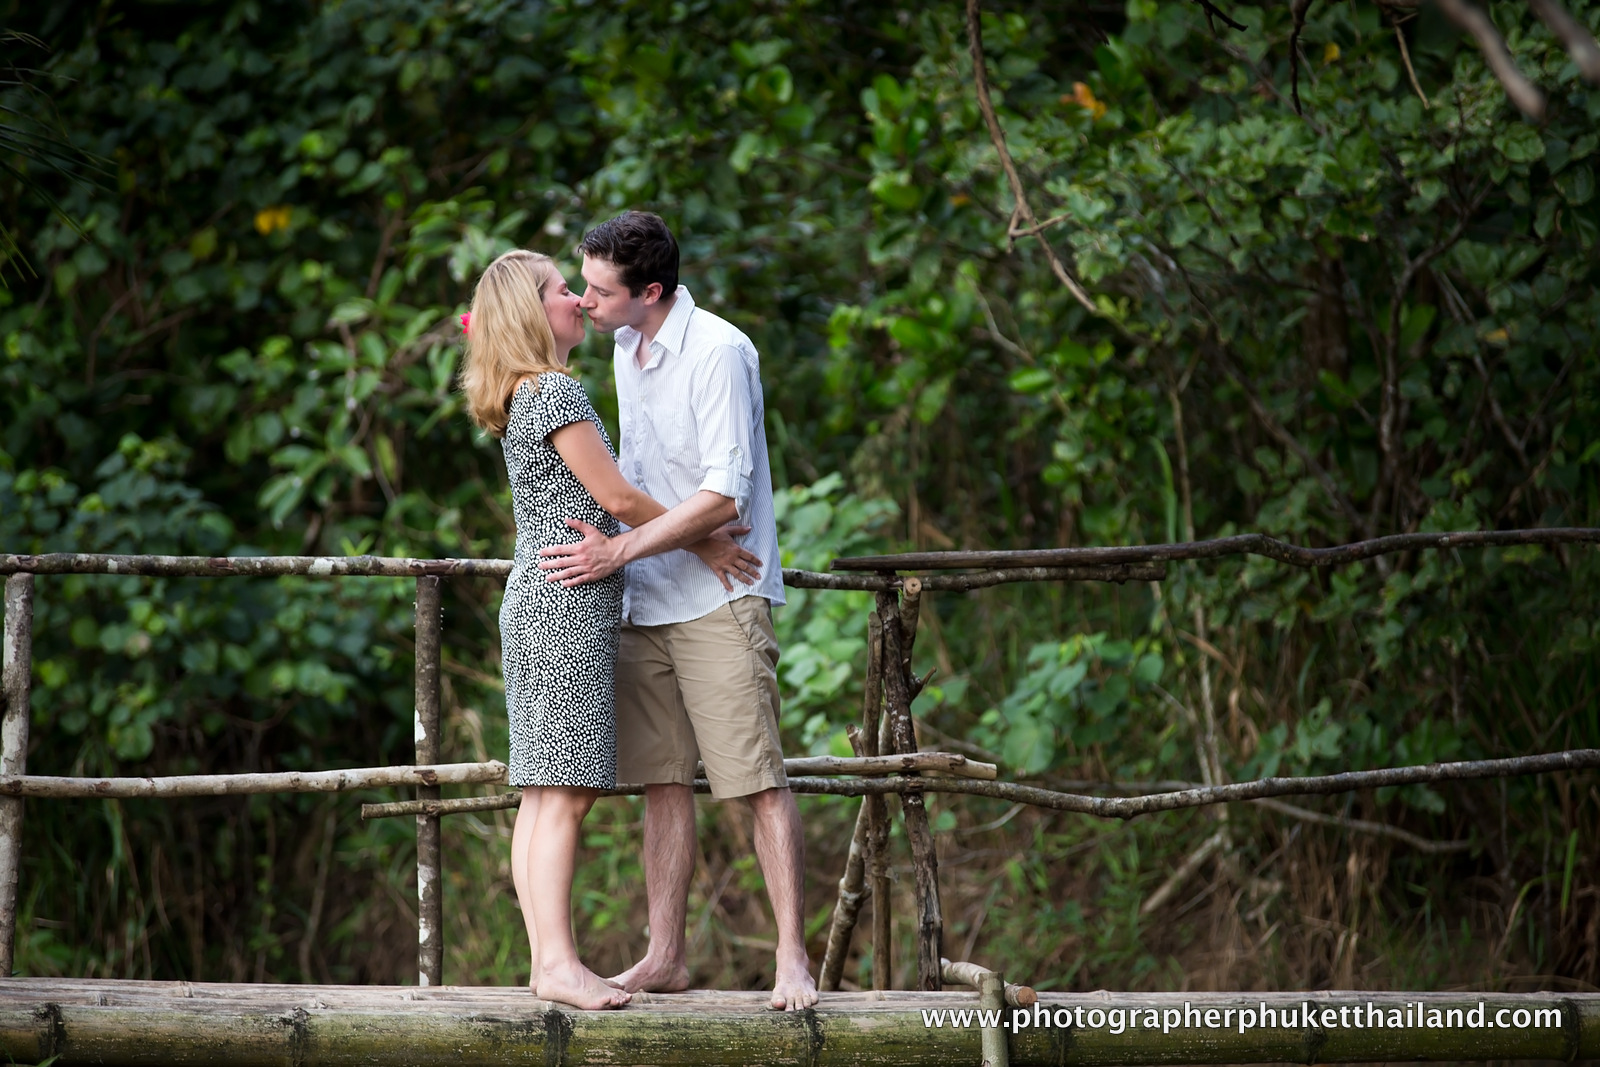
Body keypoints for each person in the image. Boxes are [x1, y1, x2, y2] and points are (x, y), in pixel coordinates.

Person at [459, 249, 763, 1011]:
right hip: (565, 606)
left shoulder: (520, 394)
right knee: (562, 794)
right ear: (535, 312)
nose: (577, 300)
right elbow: (621, 500)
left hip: (536, 598)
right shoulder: (555, 392)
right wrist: (705, 539)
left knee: (542, 794)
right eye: (563, 289)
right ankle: (559, 964)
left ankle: (544, 962)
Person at [535, 211, 819, 1012]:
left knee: (755, 778)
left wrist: (618, 551)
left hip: (720, 598)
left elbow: (723, 494)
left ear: (650, 291)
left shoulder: (720, 352)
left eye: (598, 289)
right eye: (580, 286)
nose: (585, 301)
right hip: (649, 595)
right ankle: (665, 953)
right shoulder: (625, 345)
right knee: (663, 779)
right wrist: (662, 552)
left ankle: (793, 957)